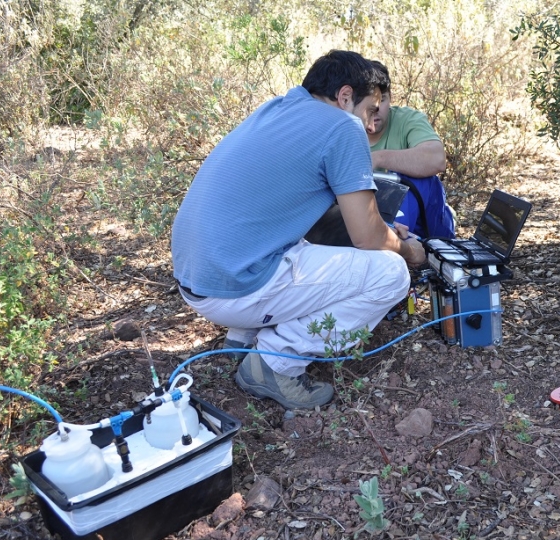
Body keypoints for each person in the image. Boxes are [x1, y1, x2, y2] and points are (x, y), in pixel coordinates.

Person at [170, 50, 426, 410]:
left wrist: (377, 227)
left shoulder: (276, 109)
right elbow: (367, 237)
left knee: (304, 239)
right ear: (345, 97)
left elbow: (301, 210)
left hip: (196, 277)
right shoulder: (343, 126)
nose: (371, 125)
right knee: (391, 274)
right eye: (370, 110)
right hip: (236, 289)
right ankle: (274, 363)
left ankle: (243, 339)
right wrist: (407, 249)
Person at [367, 61, 456, 239]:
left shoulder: (407, 119)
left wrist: (377, 158)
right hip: (366, 217)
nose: (375, 110)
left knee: (413, 178)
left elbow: (437, 159)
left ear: (390, 97)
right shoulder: (343, 128)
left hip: (422, 219)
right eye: (368, 102)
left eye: (381, 100)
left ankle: (408, 244)